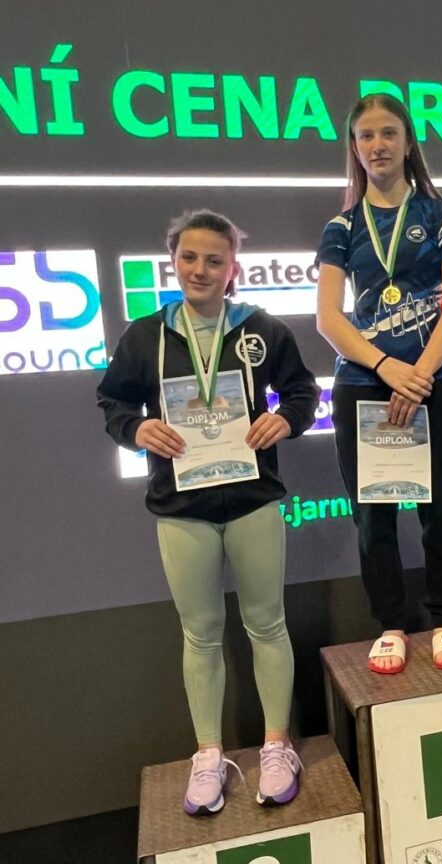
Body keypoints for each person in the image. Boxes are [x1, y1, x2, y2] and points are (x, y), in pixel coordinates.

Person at [98, 209, 319, 813]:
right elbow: (113, 401)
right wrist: (136, 429)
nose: (200, 269)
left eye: (214, 260)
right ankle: (208, 754)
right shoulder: (145, 336)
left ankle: (277, 747)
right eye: (190, 257)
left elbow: (303, 392)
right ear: (174, 262)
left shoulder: (262, 329)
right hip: (181, 507)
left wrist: (286, 419)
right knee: (200, 633)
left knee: (267, 624)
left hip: (253, 501)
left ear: (232, 269)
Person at [316, 94, 442, 674]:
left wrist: (419, 375)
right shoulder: (340, 227)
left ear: (408, 142)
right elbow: (328, 319)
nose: (377, 145)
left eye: (388, 133)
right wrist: (387, 369)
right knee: (373, 517)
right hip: (364, 384)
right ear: (354, 149)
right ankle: (391, 624)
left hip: (438, 382)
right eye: (366, 136)